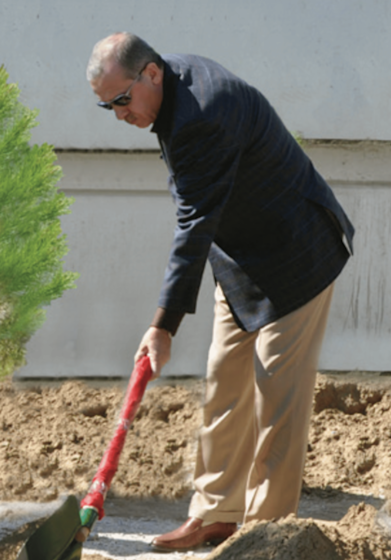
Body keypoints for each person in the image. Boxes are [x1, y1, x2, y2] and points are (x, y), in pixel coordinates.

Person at [86, 33, 354, 551]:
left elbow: (193, 222)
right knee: (224, 385)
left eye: (121, 100)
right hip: (241, 256)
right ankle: (216, 514)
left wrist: (162, 326)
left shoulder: (202, 113)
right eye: (107, 105)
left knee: (276, 395)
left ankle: (264, 535)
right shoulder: (170, 93)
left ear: (152, 75)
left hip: (296, 253)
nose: (118, 115)